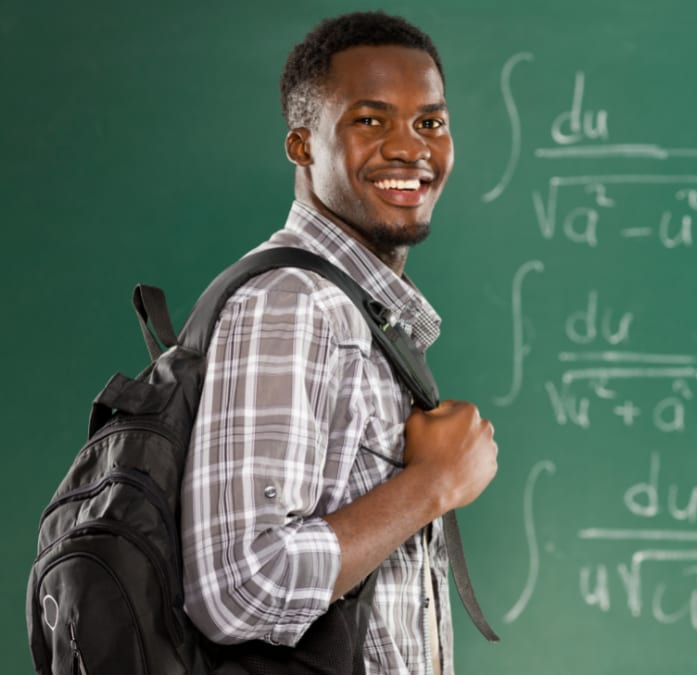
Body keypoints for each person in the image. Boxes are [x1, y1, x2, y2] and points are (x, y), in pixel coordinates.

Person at [180, 11, 498, 675]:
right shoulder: (293, 304)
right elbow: (240, 589)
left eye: (431, 122)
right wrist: (433, 483)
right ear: (302, 146)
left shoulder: (354, 309)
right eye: (371, 120)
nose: (411, 148)